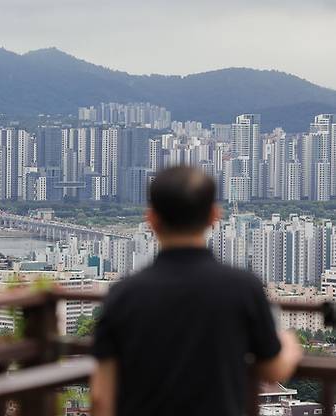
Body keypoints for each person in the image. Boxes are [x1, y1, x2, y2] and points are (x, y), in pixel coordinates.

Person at [91, 166, 303, 416]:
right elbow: (273, 370)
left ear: (151, 219)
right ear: (214, 216)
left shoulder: (123, 295)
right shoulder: (242, 288)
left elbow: (100, 398)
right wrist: (289, 343)